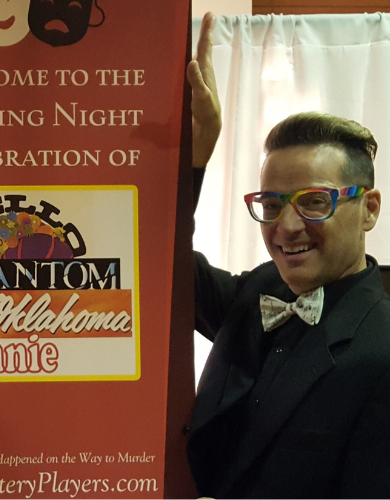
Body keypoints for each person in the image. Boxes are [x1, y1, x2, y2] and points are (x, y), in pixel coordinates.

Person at [186, 12, 390, 499]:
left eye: (315, 201)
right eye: (272, 204)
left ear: (369, 209)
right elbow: (160, 266)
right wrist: (193, 158)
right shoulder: (257, 291)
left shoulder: (383, 352)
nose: (287, 226)